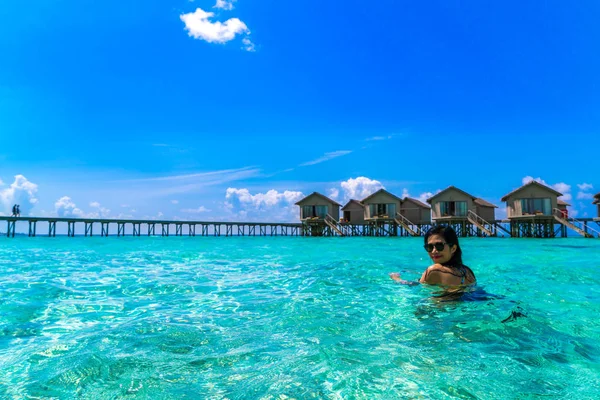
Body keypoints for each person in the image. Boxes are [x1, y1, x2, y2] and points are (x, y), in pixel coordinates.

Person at [390, 225, 476, 287]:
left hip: (440, 310)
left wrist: (397, 279)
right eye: (429, 247)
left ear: (453, 248)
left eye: (439, 246)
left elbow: (415, 287)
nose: (434, 251)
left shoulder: (433, 270)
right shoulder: (467, 271)